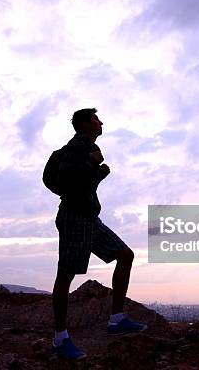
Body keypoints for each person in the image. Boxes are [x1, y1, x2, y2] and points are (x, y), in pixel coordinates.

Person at [51, 108, 147, 360]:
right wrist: (92, 164)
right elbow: (66, 179)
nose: (101, 122)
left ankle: (116, 319)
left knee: (125, 255)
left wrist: (98, 172)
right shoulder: (76, 147)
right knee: (66, 275)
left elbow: (79, 183)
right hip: (74, 218)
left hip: (90, 218)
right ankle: (60, 338)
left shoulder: (85, 149)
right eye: (95, 119)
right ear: (84, 124)